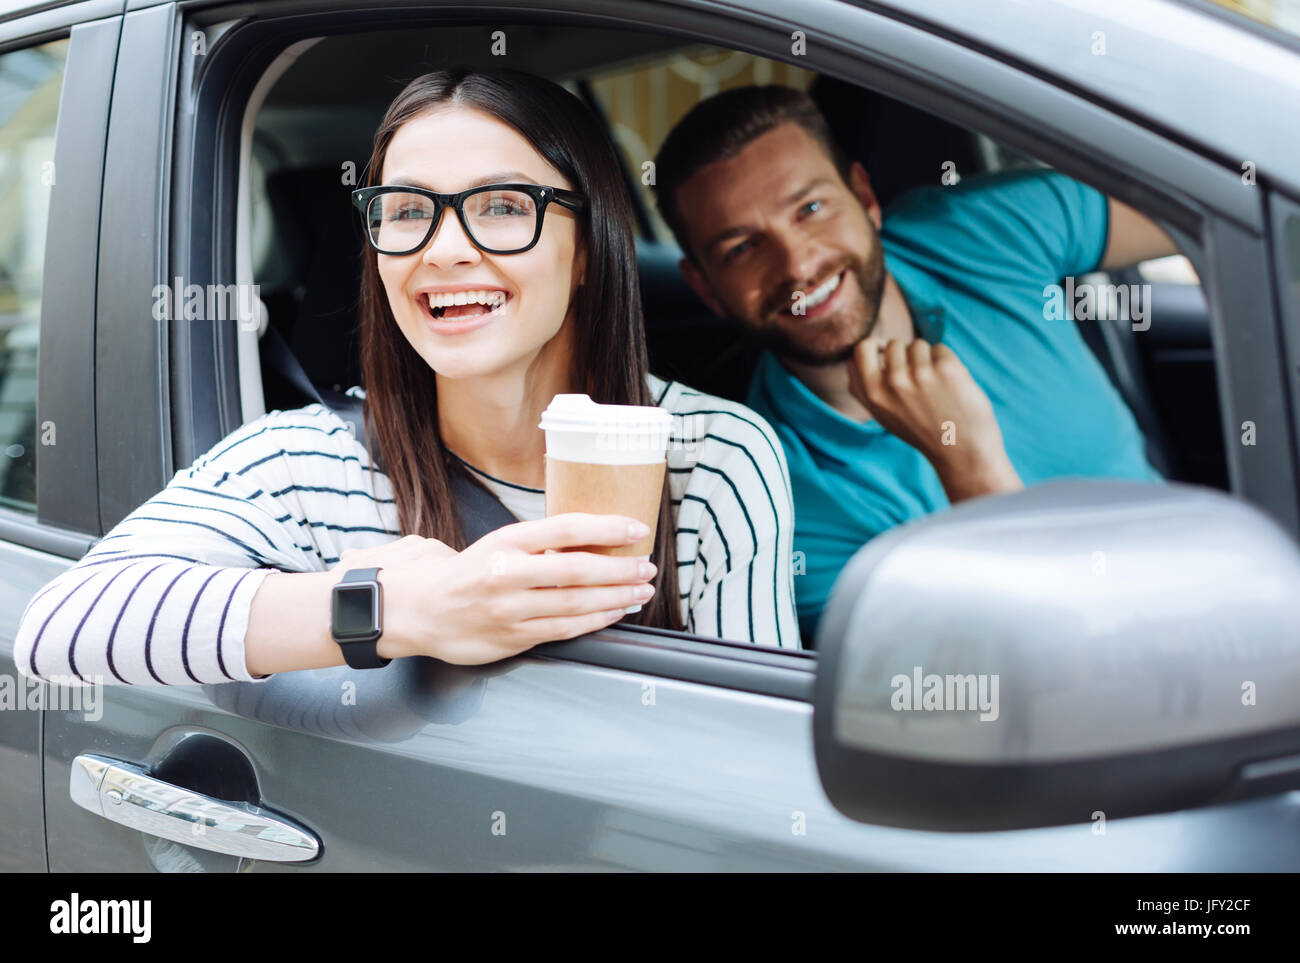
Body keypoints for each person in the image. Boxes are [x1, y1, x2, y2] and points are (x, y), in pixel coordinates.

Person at [15, 68, 799, 687]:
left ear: (589, 245)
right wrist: (400, 608)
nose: (445, 248)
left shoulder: (710, 458)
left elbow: (744, 769)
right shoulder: (310, 462)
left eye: (500, 205)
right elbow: (62, 626)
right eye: (406, 209)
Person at [651, 85, 1175, 639]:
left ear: (865, 197)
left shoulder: (987, 230)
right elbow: (1038, 658)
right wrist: (968, 465)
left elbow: (1216, 213)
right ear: (706, 290)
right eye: (742, 248)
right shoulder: (773, 500)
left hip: (1218, 597)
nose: (798, 263)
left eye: (810, 209)